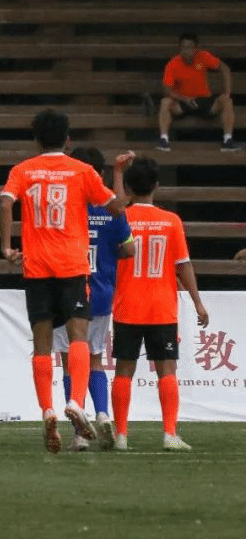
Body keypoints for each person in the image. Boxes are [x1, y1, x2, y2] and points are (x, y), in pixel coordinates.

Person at [0, 109, 127, 453]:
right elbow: (117, 207)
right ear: (67, 140)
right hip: (72, 266)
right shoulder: (82, 171)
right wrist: (116, 175)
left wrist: (6, 247)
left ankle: (47, 410)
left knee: (42, 344)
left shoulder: (23, 170)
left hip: (37, 268)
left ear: (36, 138)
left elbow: (6, 202)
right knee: (79, 337)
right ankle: (75, 402)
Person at [110, 156, 209, 451]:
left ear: (129, 187)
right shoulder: (171, 221)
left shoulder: (121, 219)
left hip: (127, 306)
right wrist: (198, 302)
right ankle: (169, 434)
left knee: (123, 371)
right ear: (156, 185)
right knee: (167, 370)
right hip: (161, 307)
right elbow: (183, 265)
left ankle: (121, 436)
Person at [52, 147, 135, 451]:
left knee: (69, 361)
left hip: (68, 291)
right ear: (99, 174)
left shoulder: (66, 207)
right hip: (101, 293)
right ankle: (102, 414)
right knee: (96, 358)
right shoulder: (112, 210)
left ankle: (79, 433)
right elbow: (130, 249)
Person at [156, 32, 238, 152]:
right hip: (183, 101)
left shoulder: (203, 56)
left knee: (227, 100)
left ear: (196, 48)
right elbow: (166, 90)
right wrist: (184, 99)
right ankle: (164, 140)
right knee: (165, 101)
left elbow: (225, 68)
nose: (187, 51)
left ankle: (228, 140)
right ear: (180, 49)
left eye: (190, 48)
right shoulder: (173, 64)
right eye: (184, 48)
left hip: (204, 100)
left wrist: (227, 92)